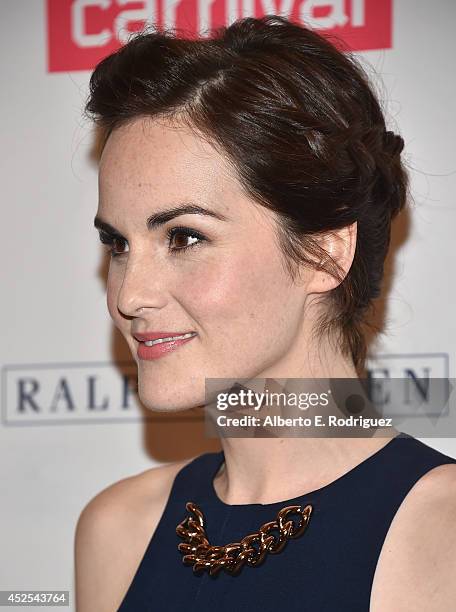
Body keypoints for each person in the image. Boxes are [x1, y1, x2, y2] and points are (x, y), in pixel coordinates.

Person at [74, 15, 456, 612]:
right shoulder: (117, 529)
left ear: (325, 251)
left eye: (184, 237)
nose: (128, 295)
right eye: (118, 245)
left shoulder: (443, 533)